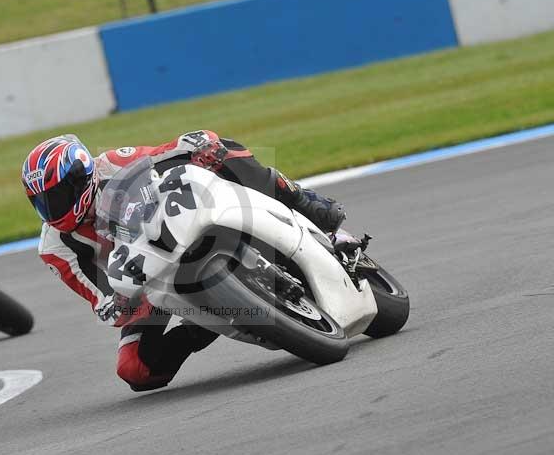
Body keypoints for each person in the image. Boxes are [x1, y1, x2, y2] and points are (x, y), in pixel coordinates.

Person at [21, 131, 346, 391]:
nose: (52, 209)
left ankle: (304, 202)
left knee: (221, 150)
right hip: (143, 283)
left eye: (58, 195)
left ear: (81, 177)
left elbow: (161, 154)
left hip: (171, 222)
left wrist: (195, 147)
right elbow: (99, 295)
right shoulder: (54, 249)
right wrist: (115, 303)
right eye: (42, 203)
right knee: (134, 369)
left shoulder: (110, 164)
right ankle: (204, 322)